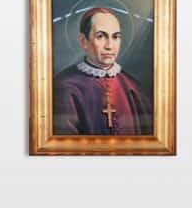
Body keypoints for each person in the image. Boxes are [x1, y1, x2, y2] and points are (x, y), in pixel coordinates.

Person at [53, 7, 153, 135]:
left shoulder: (132, 86)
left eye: (115, 37)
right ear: (83, 41)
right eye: (100, 36)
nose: (109, 46)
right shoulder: (64, 87)